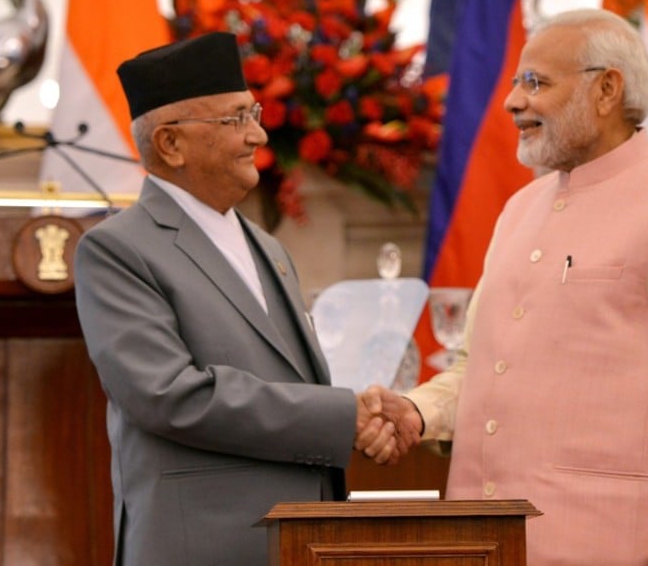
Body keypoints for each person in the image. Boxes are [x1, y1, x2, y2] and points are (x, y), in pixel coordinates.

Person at [365, 9, 648, 566]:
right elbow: (480, 368)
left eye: (536, 83)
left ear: (607, 90)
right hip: (481, 543)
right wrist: (417, 411)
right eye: (515, 82)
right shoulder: (518, 209)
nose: (512, 102)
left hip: (621, 548)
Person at [73, 31, 410, 566]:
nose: (258, 134)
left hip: (301, 544)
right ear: (171, 144)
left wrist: (361, 415)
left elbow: (292, 382)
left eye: (253, 113)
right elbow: (169, 395)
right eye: (236, 119)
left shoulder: (268, 247)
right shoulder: (117, 249)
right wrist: (343, 416)